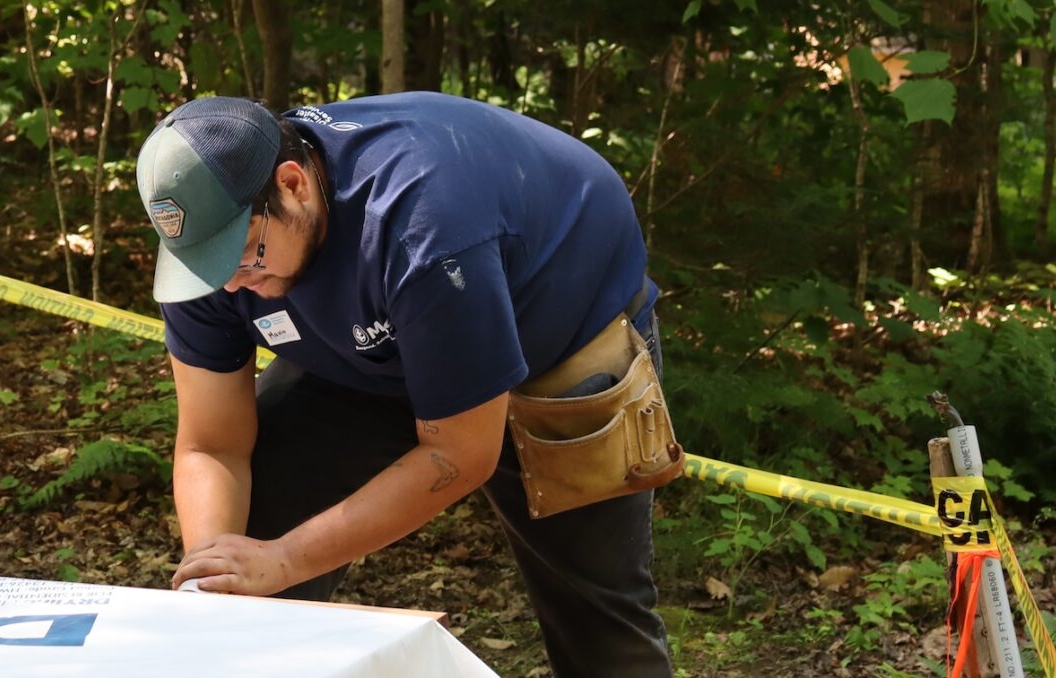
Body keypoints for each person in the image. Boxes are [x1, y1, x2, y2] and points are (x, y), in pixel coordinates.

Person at [135, 93, 676, 677]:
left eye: (246, 256)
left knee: (598, 620)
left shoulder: (423, 226)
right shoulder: (210, 262)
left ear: (293, 185)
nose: (233, 285)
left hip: (559, 331)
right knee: (251, 554)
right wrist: (215, 582)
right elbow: (212, 444)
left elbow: (460, 454)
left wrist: (284, 560)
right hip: (370, 345)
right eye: (209, 269)